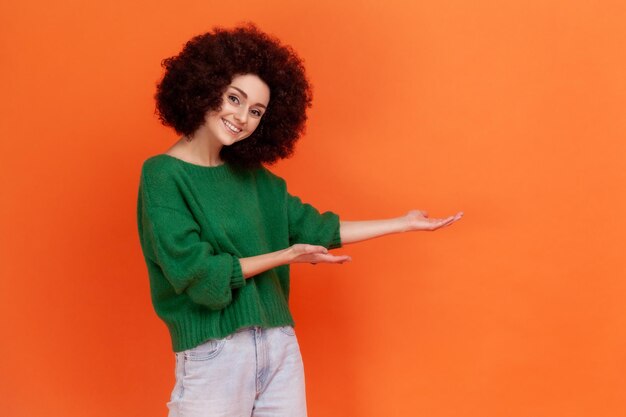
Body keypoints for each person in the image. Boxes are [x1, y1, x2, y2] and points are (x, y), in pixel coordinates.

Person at [136, 23, 463, 417]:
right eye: (234, 99)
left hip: (279, 347)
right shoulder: (162, 176)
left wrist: (403, 223)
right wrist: (286, 256)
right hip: (216, 353)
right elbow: (202, 278)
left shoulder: (257, 179)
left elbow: (319, 229)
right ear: (205, 88)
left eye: (256, 111)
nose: (242, 117)